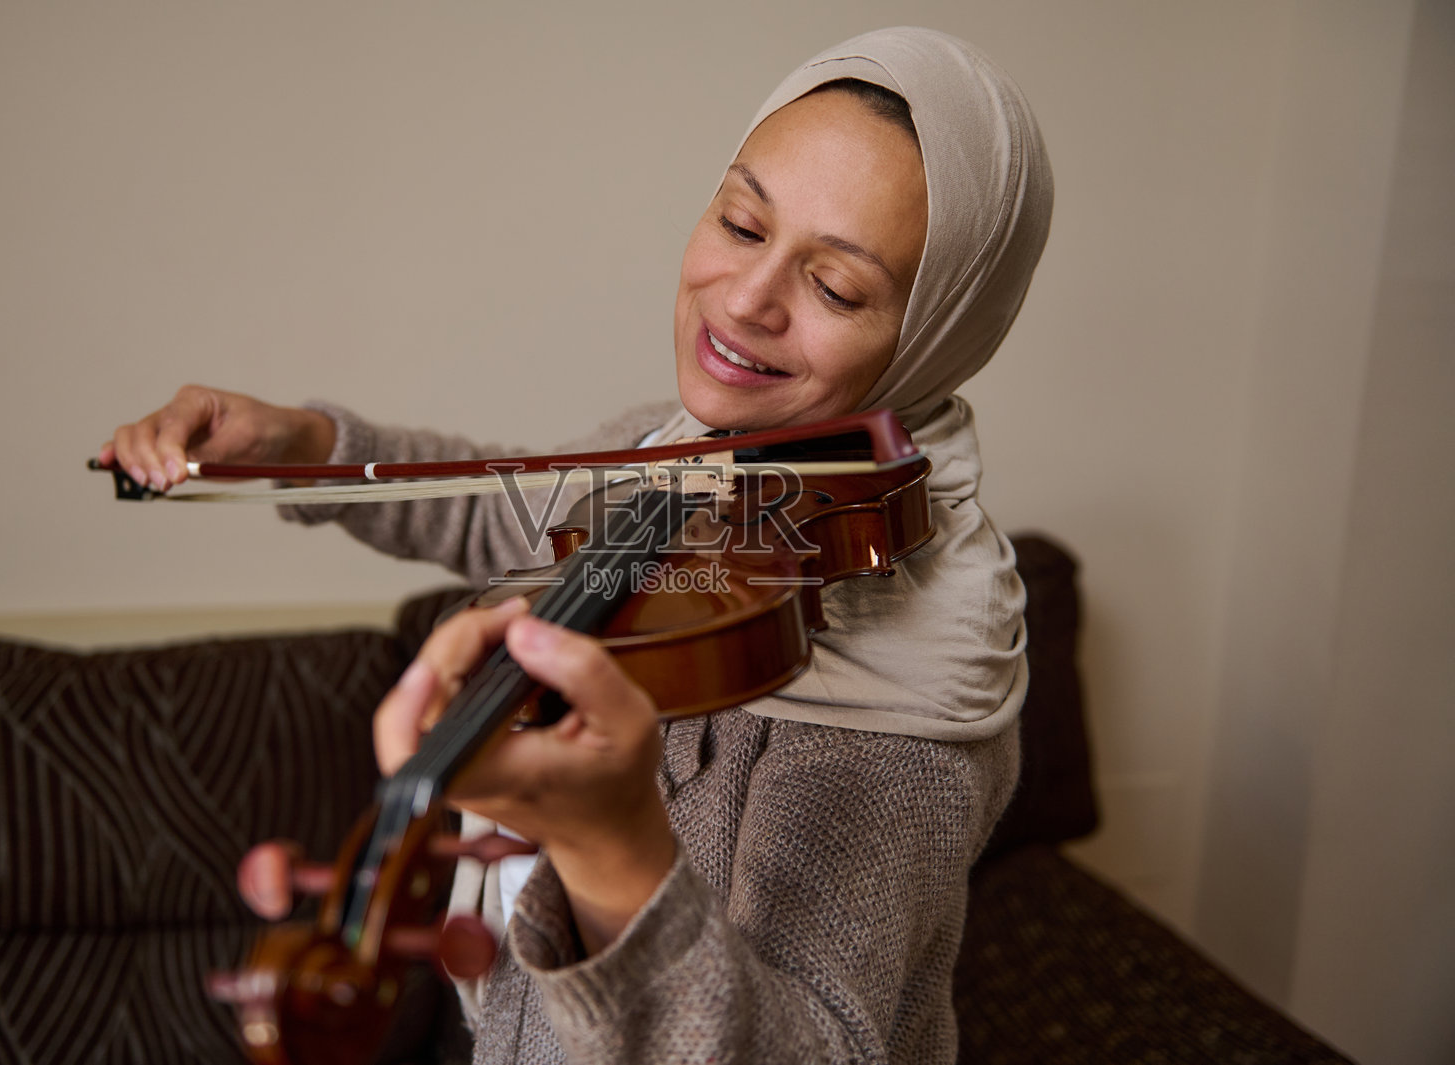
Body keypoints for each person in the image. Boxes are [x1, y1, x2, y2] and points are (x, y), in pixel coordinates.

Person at [104, 26, 1052, 1065]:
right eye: (741, 223)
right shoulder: (683, 454)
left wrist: (614, 850)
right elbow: (500, 507)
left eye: (833, 289)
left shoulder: (903, 708)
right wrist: (306, 448)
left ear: (938, 331)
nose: (745, 300)